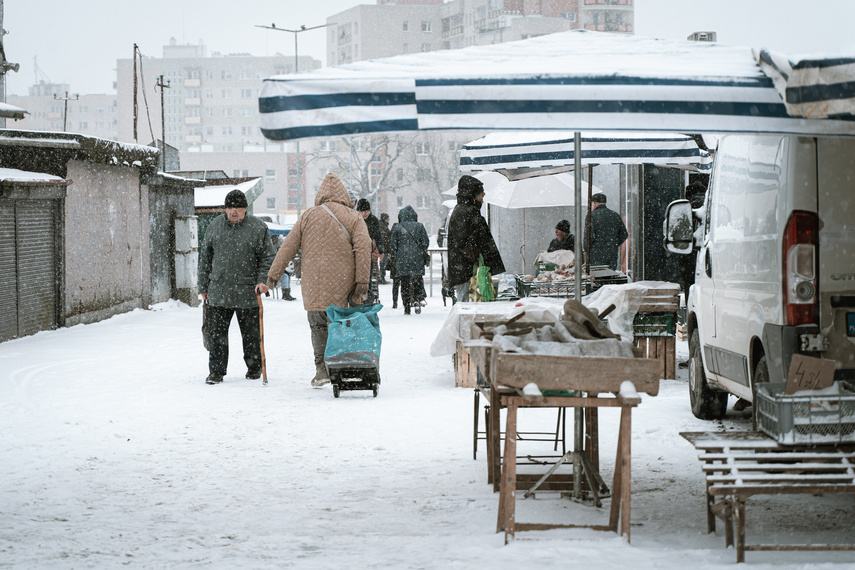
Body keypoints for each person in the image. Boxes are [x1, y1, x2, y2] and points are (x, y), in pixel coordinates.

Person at [266, 173, 372, 387]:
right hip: (343, 284)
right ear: (343, 195)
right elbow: (363, 249)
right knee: (340, 325)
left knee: (318, 326)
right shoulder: (353, 217)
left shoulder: (308, 216)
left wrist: (273, 276)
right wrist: (362, 282)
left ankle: (321, 369)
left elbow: (288, 247)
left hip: (313, 283)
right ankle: (340, 367)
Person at [198, 189, 276, 385]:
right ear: (225, 209)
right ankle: (216, 372)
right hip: (219, 290)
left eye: (238, 208)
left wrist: (262, 280)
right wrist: (203, 284)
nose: (234, 212)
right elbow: (205, 258)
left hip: (248, 291)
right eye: (230, 208)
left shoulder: (258, 228)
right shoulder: (215, 226)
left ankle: (254, 368)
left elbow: (268, 257)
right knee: (217, 336)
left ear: (245, 209)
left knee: (251, 334)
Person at [446, 175, 505, 303]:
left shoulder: (465, 211)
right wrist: (479, 262)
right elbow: (466, 244)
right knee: (468, 307)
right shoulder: (465, 212)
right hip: (468, 274)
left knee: (470, 306)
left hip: (466, 272)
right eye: (481, 196)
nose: (482, 199)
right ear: (472, 195)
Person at [391, 205, 430, 315]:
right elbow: (425, 242)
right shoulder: (420, 226)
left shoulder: (398, 227)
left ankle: (406, 305)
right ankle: (417, 300)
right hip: (417, 259)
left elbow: (393, 245)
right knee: (417, 280)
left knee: (404, 283)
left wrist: (400, 251)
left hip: (402, 260)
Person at [584, 192, 628, 271]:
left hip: (595, 255)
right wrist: (613, 244)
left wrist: (587, 249)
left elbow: (588, 237)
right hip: (611, 255)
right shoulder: (615, 215)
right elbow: (624, 234)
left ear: (593, 203)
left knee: (597, 278)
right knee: (610, 278)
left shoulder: (591, 216)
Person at [378, 212, 392, 284]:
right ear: (385, 219)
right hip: (384, 249)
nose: (389, 220)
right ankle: (381, 278)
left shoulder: (382, 225)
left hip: (383, 248)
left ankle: (381, 277)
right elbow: (384, 238)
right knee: (383, 263)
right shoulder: (383, 227)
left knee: (382, 263)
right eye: (388, 218)